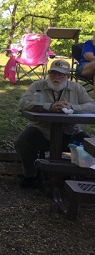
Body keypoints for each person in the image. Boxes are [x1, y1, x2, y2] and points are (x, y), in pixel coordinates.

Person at [15, 59, 95, 188]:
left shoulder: (76, 88)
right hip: (41, 130)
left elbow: (92, 105)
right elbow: (22, 103)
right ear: (49, 73)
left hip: (70, 132)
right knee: (23, 142)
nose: (56, 78)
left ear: (67, 76)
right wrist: (49, 106)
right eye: (53, 74)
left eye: (60, 75)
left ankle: (81, 177)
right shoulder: (37, 86)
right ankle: (30, 175)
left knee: (90, 147)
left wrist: (73, 107)